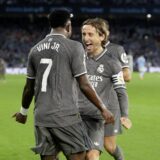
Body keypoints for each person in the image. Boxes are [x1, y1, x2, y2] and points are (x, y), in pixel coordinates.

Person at [12, 9, 114, 160]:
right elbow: (84, 84)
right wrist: (103, 108)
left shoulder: (34, 50)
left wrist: (23, 112)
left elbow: (29, 88)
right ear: (68, 26)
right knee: (79, 155)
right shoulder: (74, 47)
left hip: (41, 117)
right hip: (65, 115)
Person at [79, 18, 131, 160]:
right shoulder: (77, 57)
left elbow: (122, 90)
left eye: (90, 34)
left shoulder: (112, 61)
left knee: (104, 148)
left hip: (100, 113)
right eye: (84, 34)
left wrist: (125, 115)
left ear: (102, 36)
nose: (85, 38)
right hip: (76, 115)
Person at [104, 19, 132, 160]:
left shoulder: (116, 49)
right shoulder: (86, 51)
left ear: (106, 33)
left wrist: (107, 73)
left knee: (109, 146)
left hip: (110, 103)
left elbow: (127, 76)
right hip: (89, 104)